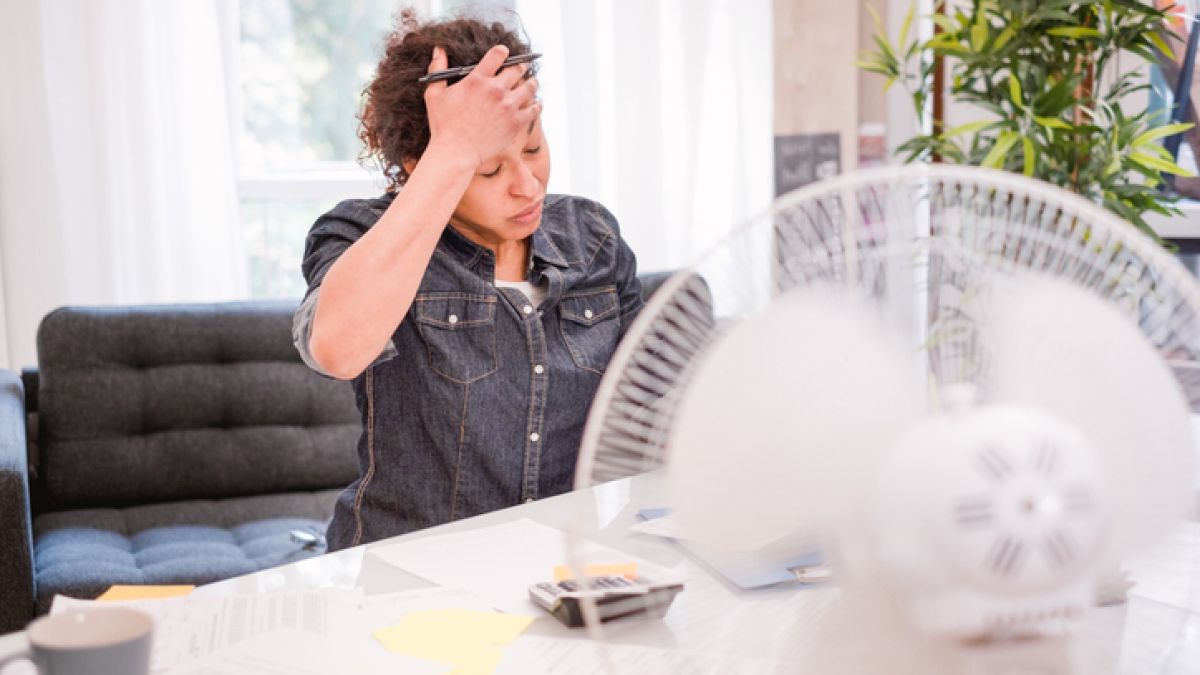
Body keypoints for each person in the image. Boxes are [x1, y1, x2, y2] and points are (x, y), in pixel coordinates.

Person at [293, 10, 643, 551]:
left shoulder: (592, 237)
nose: (528, 187)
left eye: (532, 148)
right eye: (489, 169)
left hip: (561, 576)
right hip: (408, 578)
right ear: (418, 164)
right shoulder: (363, 233)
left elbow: (646, 405)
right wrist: (455, 148)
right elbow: (336, 349)